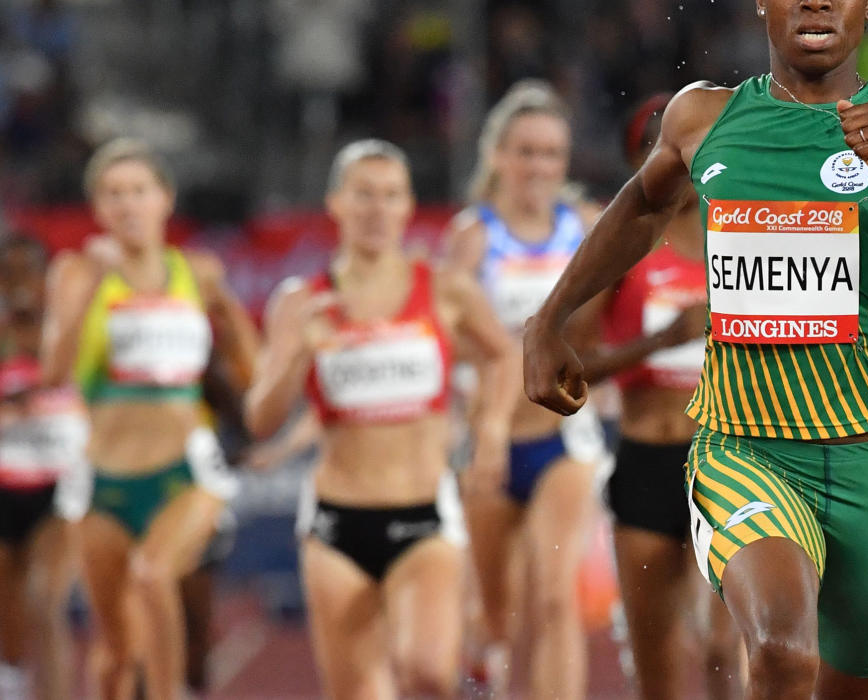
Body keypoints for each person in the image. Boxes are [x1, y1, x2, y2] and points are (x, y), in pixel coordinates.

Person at [524, 0, 868, 700]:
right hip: (747, 450)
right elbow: (644, 206)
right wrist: (549, 318)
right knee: (783, 654)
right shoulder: (703, 117)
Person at [245, 139, 519, 700]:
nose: (376, 209)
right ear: (335, 204)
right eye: (363, 195)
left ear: (408, 206)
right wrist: (299, 352)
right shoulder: (300, 301)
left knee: (426, 673)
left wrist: (490, 433)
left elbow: (506, 354)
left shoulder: (444, 289)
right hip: (334, 524)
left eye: (390, 195)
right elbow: (259, 420)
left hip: (423, 515)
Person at [41, 139, 259, 700]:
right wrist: (92, 282)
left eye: (139, 191)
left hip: (187, 471)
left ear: (165, 199)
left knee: (153, 573)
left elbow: (255, 370)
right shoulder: (74, 272)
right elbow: (55, 374)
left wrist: (236, 323)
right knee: (115, 656)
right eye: (113, 195)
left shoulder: (199, 273)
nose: (127, 205)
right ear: (97, 209)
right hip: (102, 481)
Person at [443, 79, 603, 699]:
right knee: (496, 614)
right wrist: (504, 345)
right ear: (498, 156)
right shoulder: (473, 238)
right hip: (488, 442)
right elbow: (444, 334)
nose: (539, 166)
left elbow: (610, 314)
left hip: (563, 441)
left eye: (551, 154)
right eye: (526, 151)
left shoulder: (586, 228)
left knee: (557, 597)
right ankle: (487, 669)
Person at [592, 95, 741, 699]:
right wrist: (656, 342)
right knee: (656, 664)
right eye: (662, 146)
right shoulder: (622, 247)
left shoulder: (741, 234)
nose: (680, 157)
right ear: (640, 159)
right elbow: (571, 369)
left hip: (732, 463)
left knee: (724, 650)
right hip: (649, 461)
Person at [0, 234, 86, 700]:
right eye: (8, 273)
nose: (19, 285)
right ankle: (11, 683)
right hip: (4, 484)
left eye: (28, 273)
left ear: (46, 279)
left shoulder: (70, 336)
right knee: (7, 608)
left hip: (60, 487)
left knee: (44, 602)